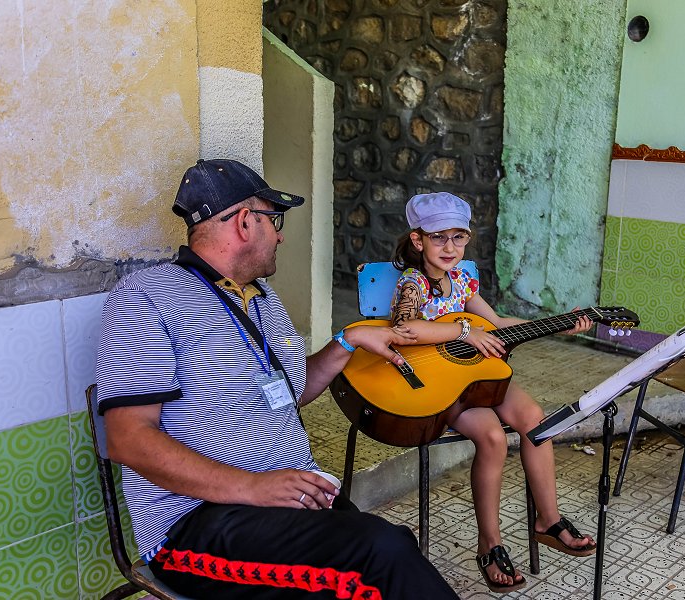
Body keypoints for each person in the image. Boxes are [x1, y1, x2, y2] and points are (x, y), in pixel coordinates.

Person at [95, 158, 459, 600]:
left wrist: (348, 340)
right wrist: (254, 486)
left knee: (385, 549)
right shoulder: (146, 298)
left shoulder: (263, 300)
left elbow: (290, 393)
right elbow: (127, 439)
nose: (281, 234)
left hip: (286, 501)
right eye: (274, 220)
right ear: (246, 223)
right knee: (381, 555)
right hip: (197, 525)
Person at [389, 192, 598, 593]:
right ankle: (490, 542)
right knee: (492, 438)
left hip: (478, 377)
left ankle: (548, 521)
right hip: (439, 384)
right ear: (418, 241)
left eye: (459, 237)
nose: (450, 247)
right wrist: (466, 331)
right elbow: (405, 331)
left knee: (535, 419)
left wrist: (560, 324)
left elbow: (498, 322)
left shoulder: (463, 280)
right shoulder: (413, 283)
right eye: (438, 238)